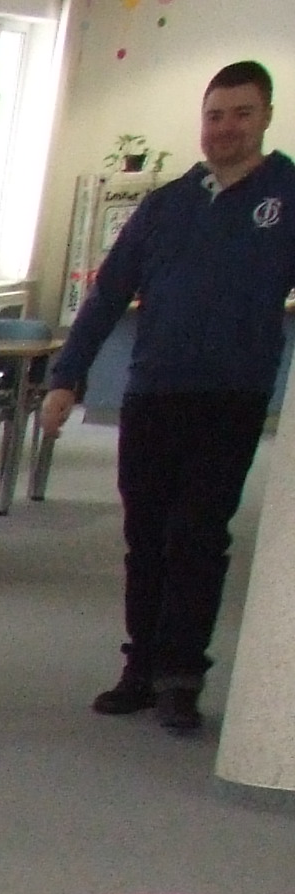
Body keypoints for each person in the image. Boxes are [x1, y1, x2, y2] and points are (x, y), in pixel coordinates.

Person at [40, 60, 295, 735]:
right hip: (153, 394)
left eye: (241, 114)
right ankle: (141, 667)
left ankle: (181, 677)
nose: (226, 128)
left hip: (232, 398)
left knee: (198, 537)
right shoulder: (166, 205)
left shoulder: (287, 196)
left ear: (266, 118)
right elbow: (107, 295)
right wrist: (67, 376)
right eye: (215, 115)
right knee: (146, 535)